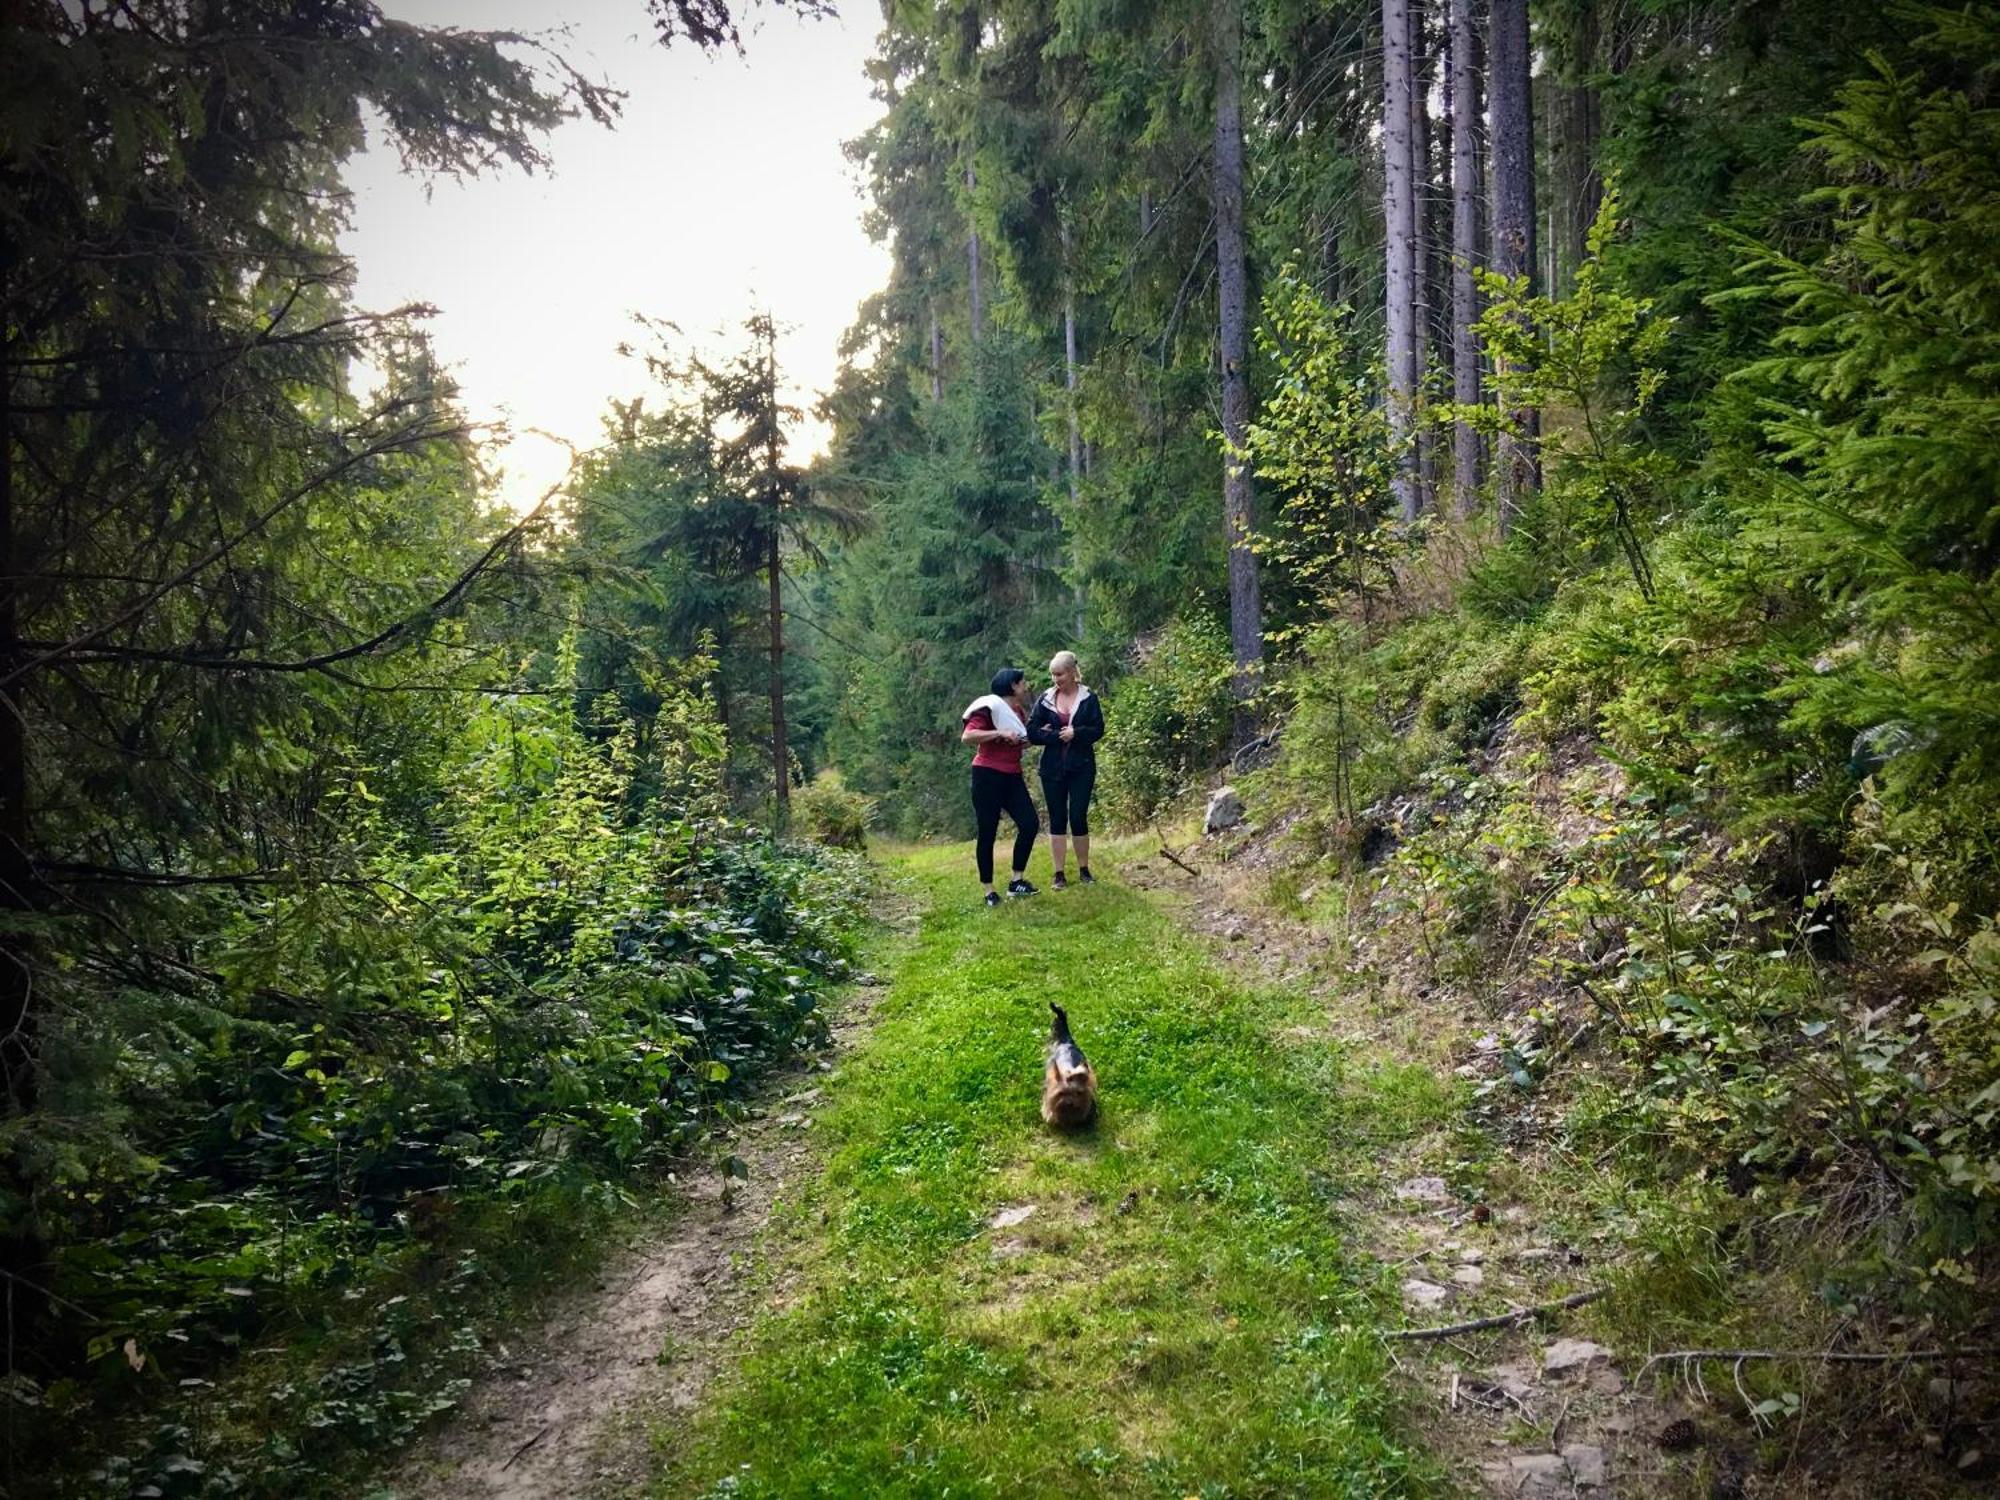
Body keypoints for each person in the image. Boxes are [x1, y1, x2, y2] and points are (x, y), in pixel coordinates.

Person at [961, 667, 1041, 907]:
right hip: (987, 774)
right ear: (1013, 686)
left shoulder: (1017, 711)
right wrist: (998, 732)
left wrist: (1031, 739)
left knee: (1029, 824)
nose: (1025, 687)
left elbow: (1020, 743)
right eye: (1022, 683)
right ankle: (988, 891)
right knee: (988, 831)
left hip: (1012, 775)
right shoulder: (989, 707)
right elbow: (968, 736)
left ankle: (1017, 881)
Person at [1027, 650, 1104, 888]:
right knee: (1057, 818)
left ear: (1071, 673)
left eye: (1059, 674)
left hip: (1081, 766)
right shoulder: (1046, 698)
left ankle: (1084, 869)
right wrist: (1052, 735)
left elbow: (1098, 729)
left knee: (1078, 816)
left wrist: (1076, 733)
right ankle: (1059, 874)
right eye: (1053, 675)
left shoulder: (1089, 698)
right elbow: (1031, 731)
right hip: (1052, 768)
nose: (1055, 679)